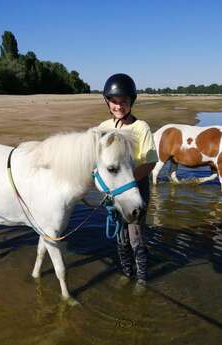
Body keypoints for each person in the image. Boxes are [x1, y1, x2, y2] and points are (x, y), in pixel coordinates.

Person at [98, 73, 158, 291]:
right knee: (120, 237)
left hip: (135, 188)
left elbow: (151, 162)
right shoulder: (103, 127)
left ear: (131, 101)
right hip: (114, 190)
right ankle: (127, 272)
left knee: (136, 237)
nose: (118, 105)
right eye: (114, 101)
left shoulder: (141, 127)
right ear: (108, 102)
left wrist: (127, 183)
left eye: (123, 101)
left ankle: (142, 279)